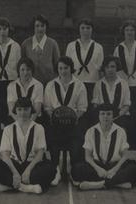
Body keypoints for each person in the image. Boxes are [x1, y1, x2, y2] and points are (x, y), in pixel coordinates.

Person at [0, 97, 56, 193]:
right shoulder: (8, 129)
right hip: (13, 165)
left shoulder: (39, 128)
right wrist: (15, 173)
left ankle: (10, 185)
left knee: (51, 169)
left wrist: (28, 170)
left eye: (26, 109)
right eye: (19, 109)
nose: (22, 113)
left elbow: (40, 154)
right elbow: (5, 155)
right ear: (15, 111)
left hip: (31, 164)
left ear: (31, 110)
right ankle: (26, 187)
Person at [71, 104, 136, 190]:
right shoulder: (91, 131)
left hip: (114, 165)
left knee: (135, 169)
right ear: (99, 116)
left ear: (113, 116)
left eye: (108, 114)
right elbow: (87, 157)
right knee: (76, 169)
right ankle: (117, 184)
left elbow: (125, 156)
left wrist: (114, 170)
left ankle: (99, 184)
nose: (105, 117)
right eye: (102, 114)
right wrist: (98, 169)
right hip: (98, 165)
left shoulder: (120, 131)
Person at [44, 56, 88, 185]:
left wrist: (71, 118)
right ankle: (55, 169)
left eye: (66, 68)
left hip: (74, 123)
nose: (63, 71)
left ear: (71, 68)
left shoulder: (79, 85)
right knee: (52, 137)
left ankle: (73, 169)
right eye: (60, 68)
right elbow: (47, 107)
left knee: (76, 140)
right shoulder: (50, 85)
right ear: (57, 69)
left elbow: (82, 108)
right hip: (56, 124)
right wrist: (56, 117)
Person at [113, 20, 136, 160]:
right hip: (124, 87)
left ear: (135, 32)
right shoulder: (118, 48)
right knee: (124, 118)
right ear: (123, 32)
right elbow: (115, 67)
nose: (129, 32)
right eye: (127, 30)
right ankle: (121, 150)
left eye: (132, 30)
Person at [92, 56, 136, 146]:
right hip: (103, 116)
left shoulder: (124, 83)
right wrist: (104, 117)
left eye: (112, 67)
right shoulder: (99, 84)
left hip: (120, 115)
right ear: (104, 69)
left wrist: (118, 115)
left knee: (122, 129)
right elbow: (95, 104)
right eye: (107, 67)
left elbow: (127, 105)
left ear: (117, 68)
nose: (110, 70)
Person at [66, 18, 104, 106]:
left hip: (92, 82)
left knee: (91, 109)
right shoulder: (71, 46)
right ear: (79, 29)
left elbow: (100, 69)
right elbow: (67, 66)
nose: (85, 30)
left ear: (92, 29)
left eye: (88, 28)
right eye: (82, 28)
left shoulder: (98, 47)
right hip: (76, 82)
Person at [21, 14, 60, 85]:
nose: (40, 29)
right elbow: (22, 65)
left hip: (49, 83)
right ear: (33, 27)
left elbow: (57, 65)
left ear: (46, 27)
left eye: (42, 26)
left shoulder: (53, 43)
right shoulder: (25, 44)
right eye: (37, 26)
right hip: (30, 83)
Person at [7, 57, 43, 123]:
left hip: (34, 119)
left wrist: (29, 124)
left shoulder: (38, 85)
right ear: (18, 71)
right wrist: (19, 124)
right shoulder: (11, 86)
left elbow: (37, 110)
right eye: (22, 70)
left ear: (32, 70)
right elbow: (11, 110)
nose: (25, 72)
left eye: (28, 69)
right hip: (15, 119)